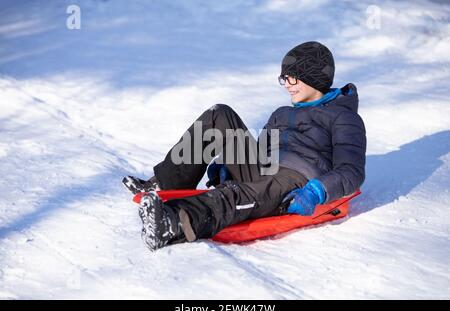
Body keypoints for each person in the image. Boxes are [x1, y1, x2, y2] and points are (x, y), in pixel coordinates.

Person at [123, 41, 366, 251]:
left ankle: (172, 222)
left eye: (292, 77)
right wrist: (227, 164)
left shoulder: (343, 118)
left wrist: (316, 191)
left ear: (313, 77)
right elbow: (260, 152)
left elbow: (351, 171)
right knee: (219, 114)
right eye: (284, 78)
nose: (287, 84)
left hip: (296, 180)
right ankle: (164, 183)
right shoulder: (281, 113)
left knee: (236, 194)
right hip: (267, 168)